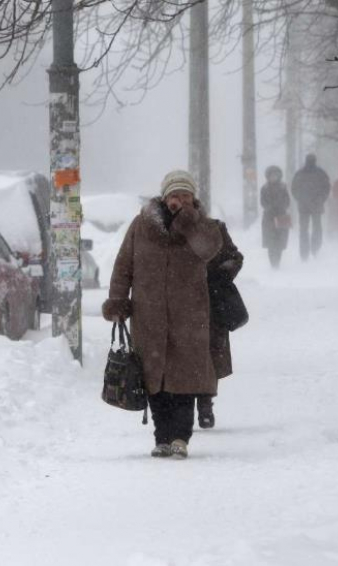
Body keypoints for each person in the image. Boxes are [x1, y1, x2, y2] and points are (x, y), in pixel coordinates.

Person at [102, 170, 222, 460]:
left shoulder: (203, 226)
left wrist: (189, 223)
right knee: (154, 380)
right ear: (164, 197)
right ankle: (162, 438)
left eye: (184, 195)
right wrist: (118, 300)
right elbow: (123, 265)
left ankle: (181, 437)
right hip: (149, 315)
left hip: (189, 316)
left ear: (192, 198)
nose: (178, 200)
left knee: (185, 380)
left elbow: (210, 250)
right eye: (173, 195)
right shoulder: (142, 225)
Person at [196, 221, 244, 429]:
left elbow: (235, 257)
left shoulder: (212, 228)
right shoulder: (167, 229)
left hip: (212, 302)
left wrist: (219, 276)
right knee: (181, 355)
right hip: (177, 303)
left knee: (210, 354)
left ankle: (205, 404)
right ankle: (183, 405)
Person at [290, 154, 331, 260]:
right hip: (307, 205)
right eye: (310, 160)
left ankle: (313, 250)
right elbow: (294, 189)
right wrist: (301, 198)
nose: (311, 162)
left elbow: (326, 188)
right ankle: (307, 252)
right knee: (307, 229)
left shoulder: (316, 173)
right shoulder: (317, 173)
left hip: (313, 205)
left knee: (313, 229)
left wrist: (321, 199)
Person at [260, 165, 291, 268]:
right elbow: (262, 202)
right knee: (270, 242)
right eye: (271, 175)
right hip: (268, 217)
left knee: (280, 241)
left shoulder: (283, 187)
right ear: (268, 176)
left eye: (275, 175)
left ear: (279, 176)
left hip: (281, 216)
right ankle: (273, 263)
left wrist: (281, 207)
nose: (273, 177)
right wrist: (269, 208)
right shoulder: (264, 188)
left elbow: (287, 200)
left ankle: (277, 260)